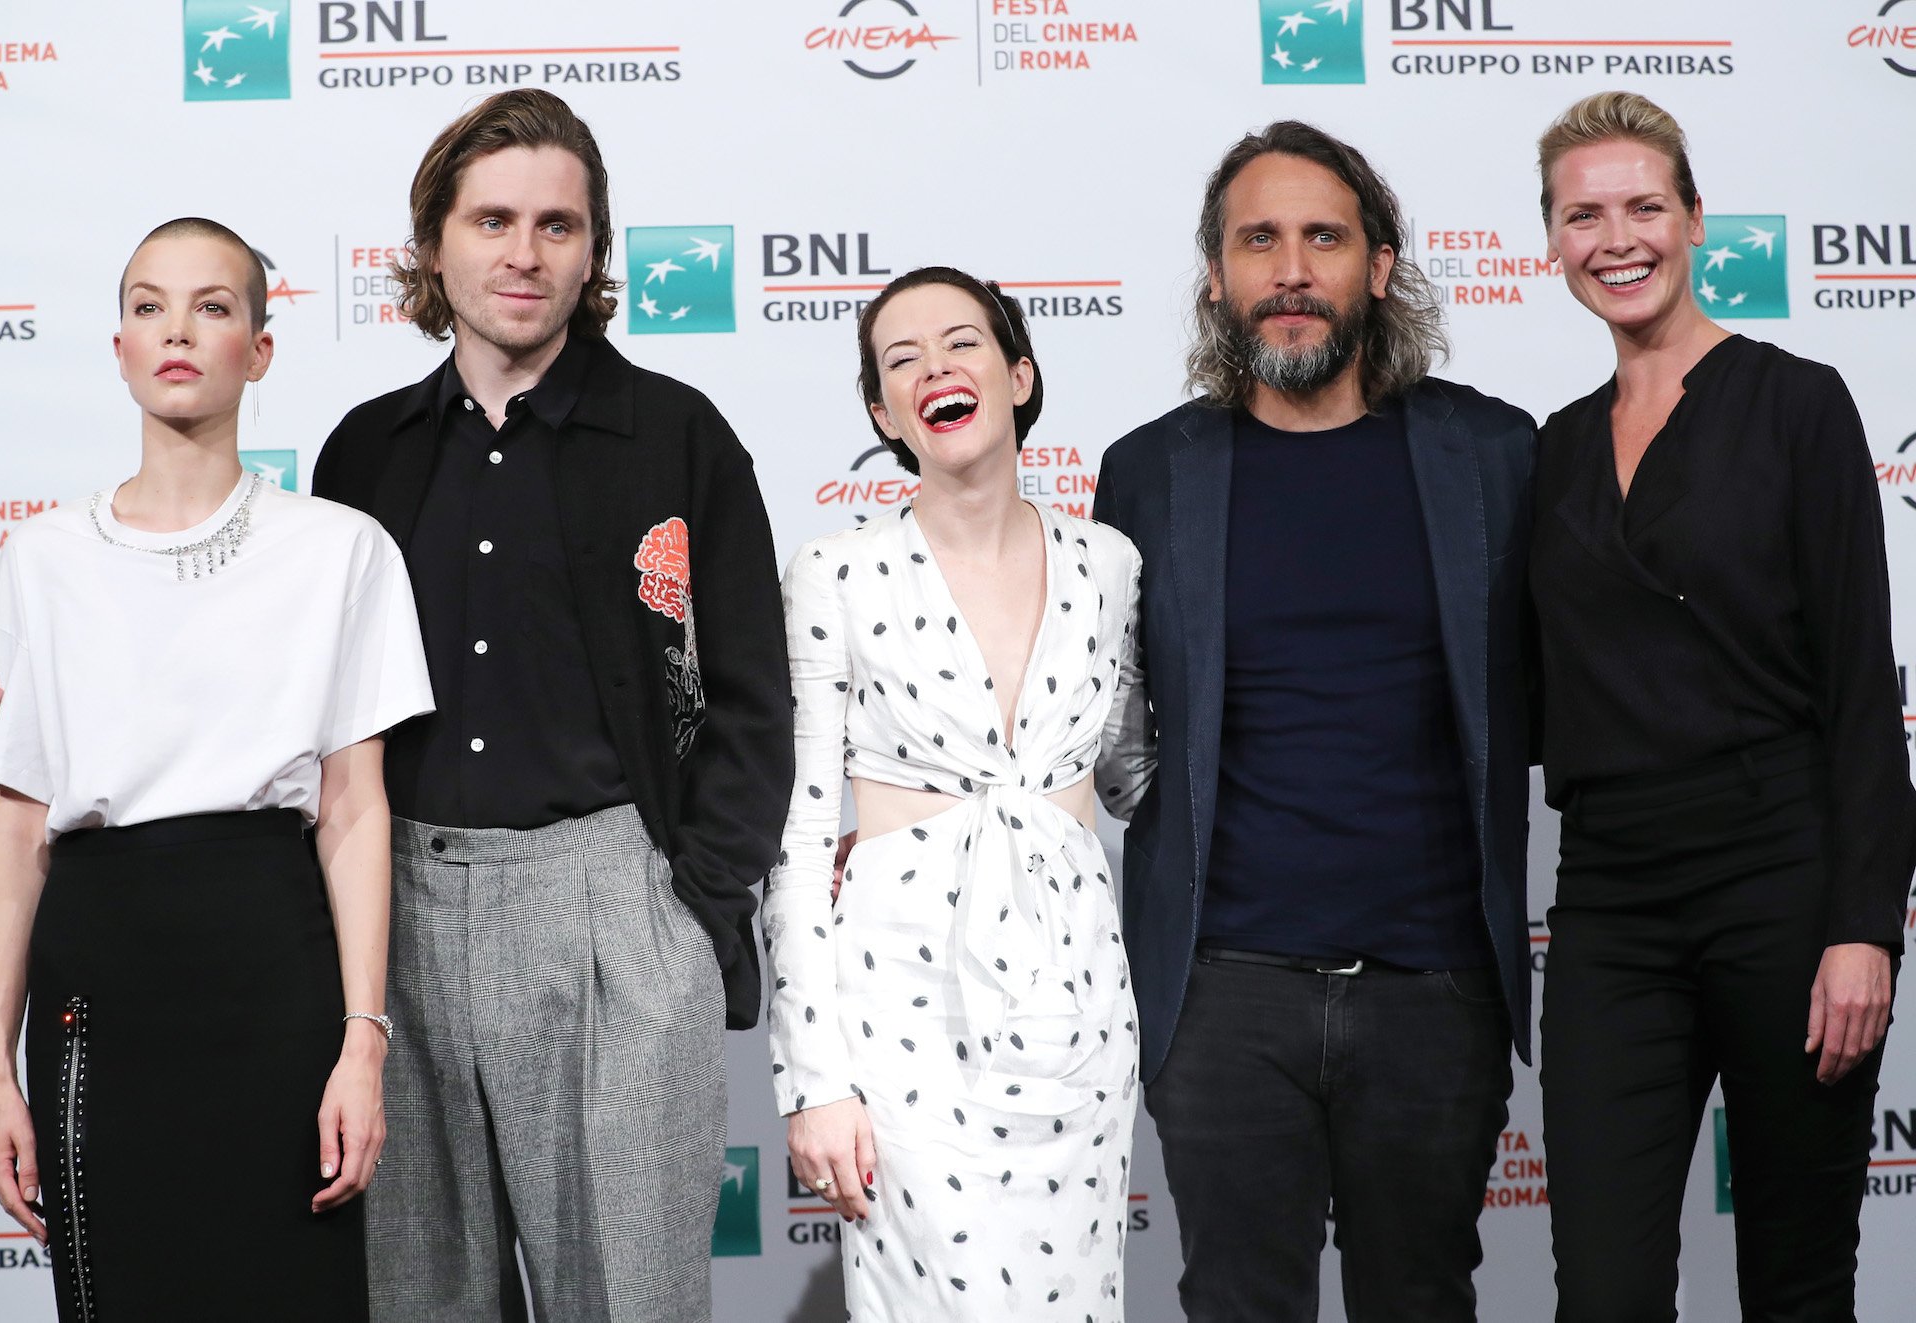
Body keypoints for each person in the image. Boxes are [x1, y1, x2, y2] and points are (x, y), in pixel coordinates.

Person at [0, 90, 792, 1323]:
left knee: (633, 1301)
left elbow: (751, 698)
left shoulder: (676, 436)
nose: (523, 253)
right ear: (433, 245)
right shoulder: (368, 454)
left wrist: (691, 913)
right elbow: (286, 675)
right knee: (417, 1301)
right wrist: (65, 683)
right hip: (393, 911)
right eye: (493, 219)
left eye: (558, 226)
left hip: (610, 907)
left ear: (594, 251)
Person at [1091, 123, 1536, 1322]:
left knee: (1422, 1300)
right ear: (1217, 275)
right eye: (1258, 239)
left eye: (1322, 237)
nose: (1290, 268)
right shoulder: (1147, 475)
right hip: (1223, 992)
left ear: (1378, 268)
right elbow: (1111, 729)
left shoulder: (1494, 456)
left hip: (1435, 988)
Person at [0, 217, 432, 1322]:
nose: (177, 330)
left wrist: (361, 1047)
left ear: (260, 350)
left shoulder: (341, 551)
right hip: (100, 991)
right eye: (148, 305)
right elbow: (22, 828)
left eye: (213, 306)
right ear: (120, 345)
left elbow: (355, 812)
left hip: (277, 982)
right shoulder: (41, 559)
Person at [1531, 91, 1911, 1321]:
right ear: (1551, 243)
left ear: (1695, 222)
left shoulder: (1796, 404)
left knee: (1796, 1285)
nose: (1616, 236)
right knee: (1602, 1288)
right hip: (1610, 901)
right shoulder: (1554, 447)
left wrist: (1866, 927)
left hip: (1783, 886)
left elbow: (1863, 687)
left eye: (1644, 206)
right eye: (1582, 214)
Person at [767, 266, 1147, 1320]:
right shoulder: (834, 573)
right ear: (883, 413)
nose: (935, 366)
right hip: (901, 1008)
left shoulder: (1109, 565)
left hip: (1076, 1002)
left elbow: (1135, 779)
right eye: (901, 359)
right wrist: (815, 1082)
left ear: (1019, 374)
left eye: (962, 342)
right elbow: (795, 843)